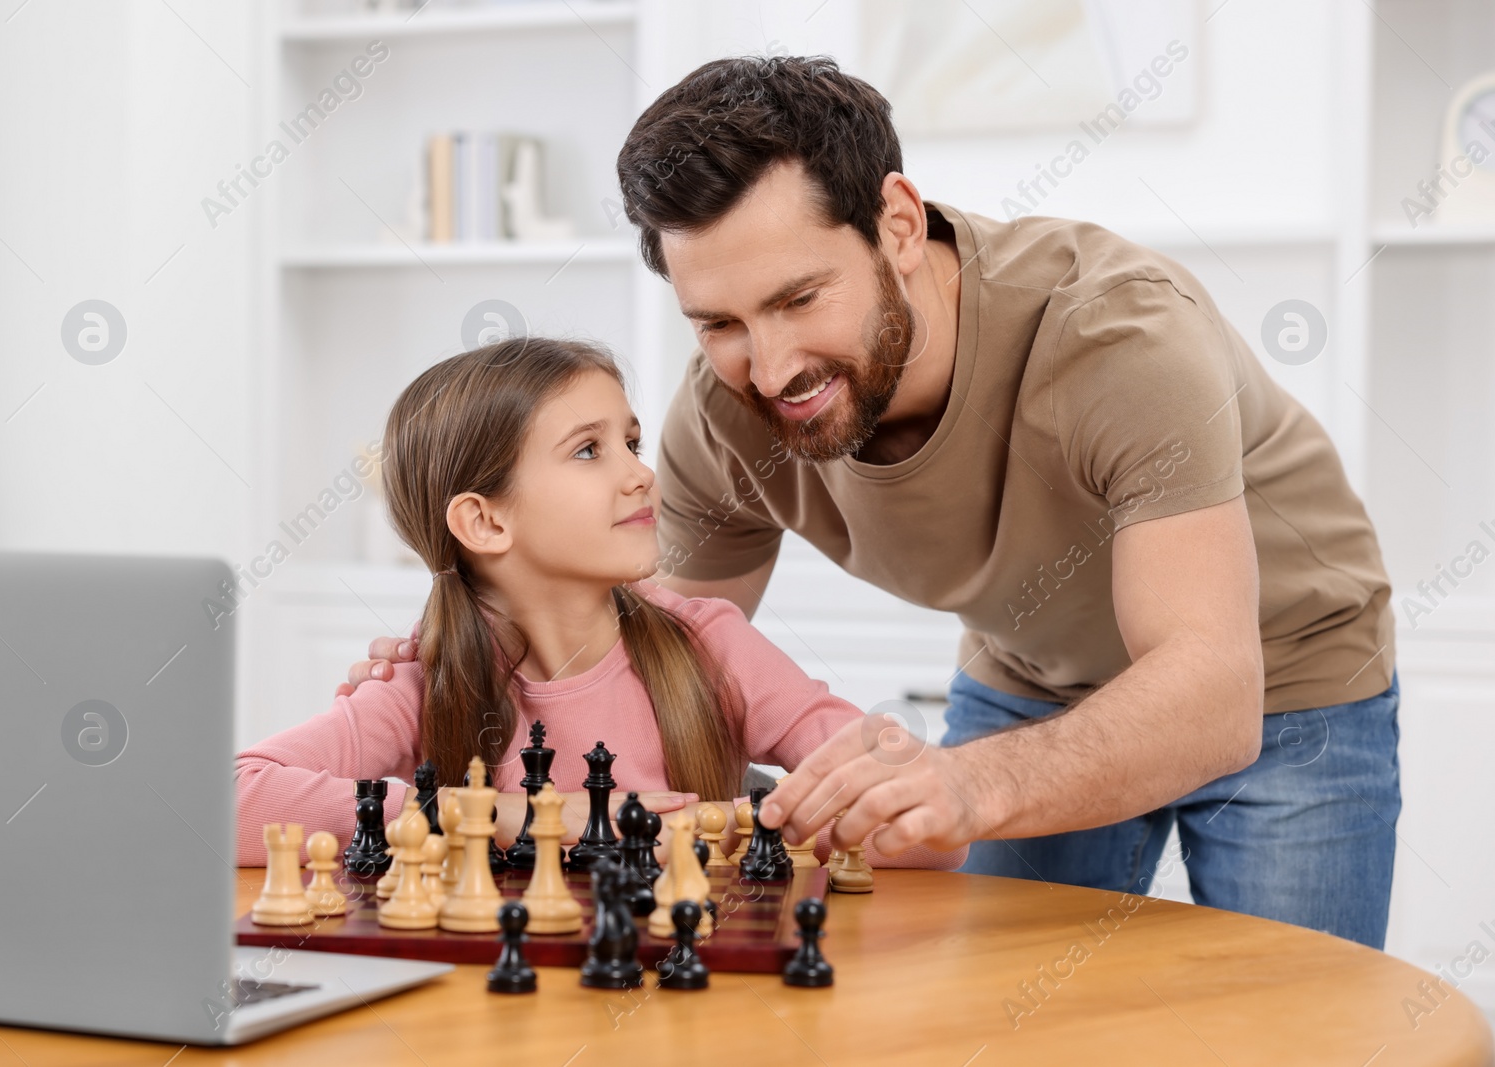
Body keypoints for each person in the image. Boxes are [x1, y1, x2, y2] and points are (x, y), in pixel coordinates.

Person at [344, 56, 1401, 949]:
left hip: (1287, 684)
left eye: (801, 298)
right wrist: (460, 661)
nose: (768, 365)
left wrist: (972, 785)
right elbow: (638, 651)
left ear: (897, 222)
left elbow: (1211, 689)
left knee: (1297, 1026)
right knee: (1013, 1023)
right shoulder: (723, 418)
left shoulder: (1116, 340)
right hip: (1029, 678)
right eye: (718, 321)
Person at [236, 335, 965, 872]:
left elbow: (932, 830)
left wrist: (748, 822)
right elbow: (226, 800)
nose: (641, 475)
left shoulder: (708, 643)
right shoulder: (423, 683)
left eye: (632, 441)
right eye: (590, 451)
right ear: (485, 521)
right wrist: (510, 815)